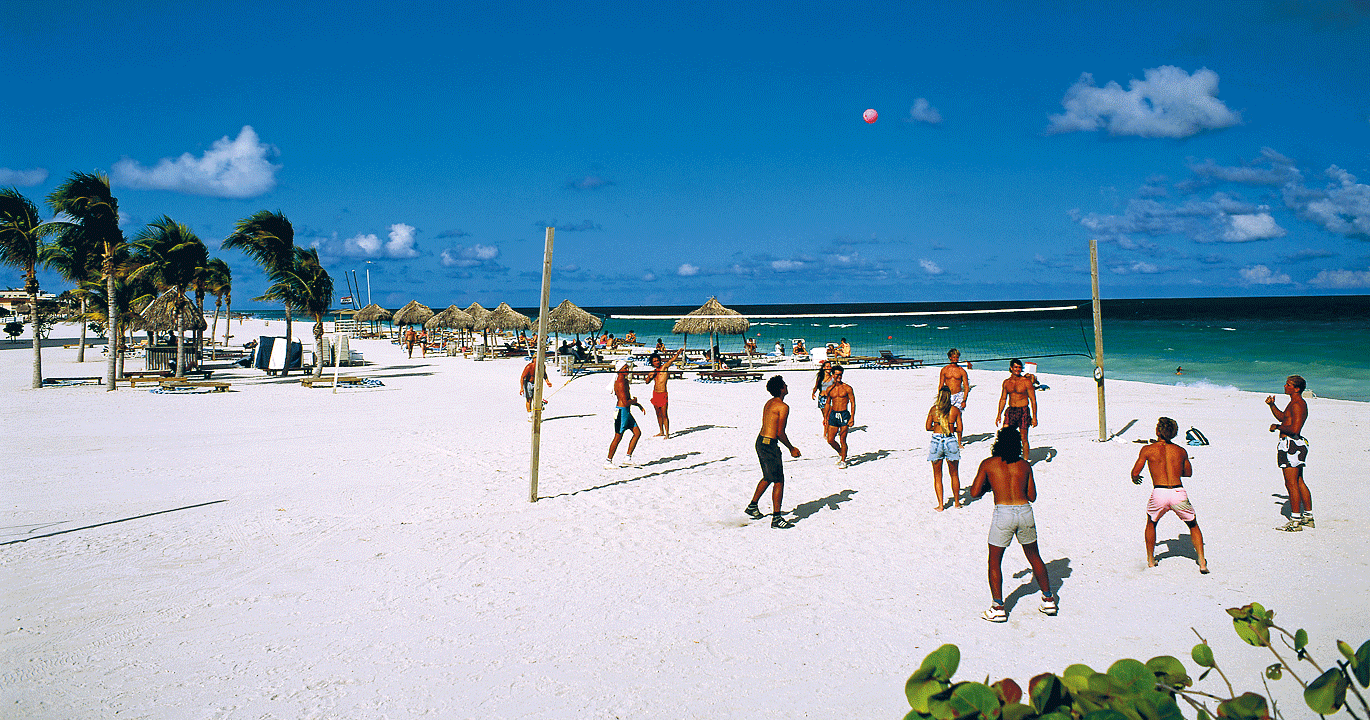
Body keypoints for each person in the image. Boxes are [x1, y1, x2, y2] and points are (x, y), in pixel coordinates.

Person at [969, 427, 1057, 622]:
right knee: (1034, 557)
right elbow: (1032, 496)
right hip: (1024, 511)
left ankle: (998, 606)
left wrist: (990, 486)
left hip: (1003, 513)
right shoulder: (1025, 465)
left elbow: (974, 493)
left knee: (995, 560)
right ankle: (1049, 599)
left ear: (997, 443)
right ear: (1018, 444)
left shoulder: (989, 464)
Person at [1131, 417, 1208, 573]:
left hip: (1159, 491)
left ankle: (1151, 560)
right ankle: (1201, 561)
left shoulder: (1147, 449)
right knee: (1193, 525)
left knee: (1152, 523)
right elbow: (1188, 473)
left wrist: (1135, 478)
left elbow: (1135, 472)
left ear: (1158, 431)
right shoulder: (1180, 451)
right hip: (1177, 491)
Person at [745, 375, 801, 528]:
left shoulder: (769, 403)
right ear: (781, 389)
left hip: (760, 441)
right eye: (785, 384)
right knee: (779, 480)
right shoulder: (783, 407)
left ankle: (752, 506)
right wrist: (791, 448)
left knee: (768, 476)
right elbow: (780, 432)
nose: (787, 386)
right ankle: (776, 518)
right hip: (769, 445)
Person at [1267, 375, 1312, 531]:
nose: (1285, 386)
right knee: (1298, 481)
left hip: (1291, 445)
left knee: (1291, 483)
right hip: (1293, 445)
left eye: (1288, 385)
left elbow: (1294, 429)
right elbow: (1284, 418)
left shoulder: (1298, 404)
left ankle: (1295, 520)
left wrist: (1277, 427)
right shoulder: (1293, 403)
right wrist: (1272, 406)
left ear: (1296, 388)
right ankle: (1308, 516)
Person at [926, 385, 964, 511]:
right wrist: (950, 428)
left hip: (937, 439)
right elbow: (959, 428)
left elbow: (927, 427)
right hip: (950, 439)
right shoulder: (955, 410)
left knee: (937, 475)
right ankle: (957, 503)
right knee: (954, 474)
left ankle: (941, 505)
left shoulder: (934, 409)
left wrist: (937, 427)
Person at [996, 358, 1038, 460]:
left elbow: (1033, 400)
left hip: (1023, 411)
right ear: (1011, 368)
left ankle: (1026, 460)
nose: (1018, 369)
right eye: (1015, 367)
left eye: (1019, 367)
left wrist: (1034, 417)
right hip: (1011, 411)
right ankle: (1007, 457)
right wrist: (999, 414)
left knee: (1023, 438)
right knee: (1005, 435)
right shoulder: (1006, 382)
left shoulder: (1026, 382)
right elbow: (1003, 399)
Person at [606, 359, 643, 468]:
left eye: (628, 368)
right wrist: (634, 401)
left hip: (626, 411)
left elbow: (627, 399)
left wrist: (637, 404)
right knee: (618, 437)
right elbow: (625, 402)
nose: (627, 370)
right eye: (625, 368)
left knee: (637, 433)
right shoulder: (620, 382)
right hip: (621, 412)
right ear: (620, 370)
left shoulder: (625, 380)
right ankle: (608, 461)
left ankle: (628, 458)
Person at [646, 346, 685, 437]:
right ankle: (661, 431)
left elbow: (672, 360)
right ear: (652, 363)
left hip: (663, 394)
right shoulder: (653, 372)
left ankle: (667, 433)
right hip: (655, 394)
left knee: (664, 414)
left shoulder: (664, 367)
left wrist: (678, 352)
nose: (657, 362)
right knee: (658, 414)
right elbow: (647, 382)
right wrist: (649, 377)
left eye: (657, 360)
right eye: (654, 361)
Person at [824, 365, 855, 468]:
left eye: (840, 375)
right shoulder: (829, 389)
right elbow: (828, 403)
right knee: (830, 439)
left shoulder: (847, 388)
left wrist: (852, 418)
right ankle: (840, 453)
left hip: (844, 414)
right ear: (832, 375)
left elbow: (853, 403)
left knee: (842, 439)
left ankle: (843, 460)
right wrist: (825, 417)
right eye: (837, 375)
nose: (839, 377)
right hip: (833, 414)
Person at [811, 361, 835, 438]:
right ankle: (827, 430)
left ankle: (825, 433)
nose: (829, 368)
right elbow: (816, 386)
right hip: (821, 398)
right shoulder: (820, 377)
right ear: (824, 368)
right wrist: (813, 393)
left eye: (830, 366)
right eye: (827, 366)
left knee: (828, 416)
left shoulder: (833, 378)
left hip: (829, 398)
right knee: (825, 416)